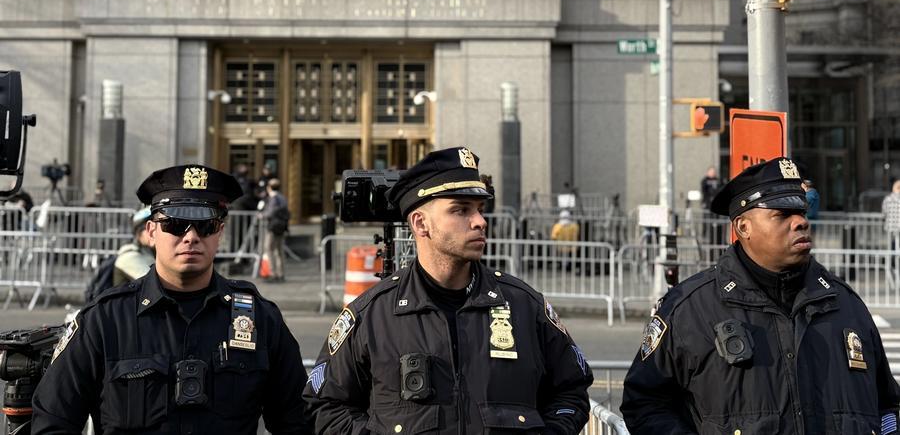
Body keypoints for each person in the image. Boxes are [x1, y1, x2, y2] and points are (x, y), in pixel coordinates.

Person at [303, 146, 593, 433]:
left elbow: (571, 391)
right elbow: (326, 406)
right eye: (461, 210)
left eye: (479, 209)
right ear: (420, 223)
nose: (480, 221)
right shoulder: (373, 315)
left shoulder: (524, 305)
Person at [621, 157, 900, 434]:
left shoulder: (845, 304)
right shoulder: (689, 309)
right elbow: (645, 404)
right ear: (743, 227)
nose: (800, 222)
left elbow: (888, 406)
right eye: (782, 214)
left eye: (802, 211)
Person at [32, 164, 311, 434]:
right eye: (176, 225)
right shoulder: (105, 320)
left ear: (220, 234)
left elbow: (298, 421)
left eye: (205, 226)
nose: (190, 237)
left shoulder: (260, 319)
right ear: (152, 232)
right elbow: (53, 420)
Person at [113, 207, 155, 286]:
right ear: (138, 232)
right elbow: (154, 283)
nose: (153, 232)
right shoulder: (129, 257)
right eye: (148, 228)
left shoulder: (148, 252)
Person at [259, 177, 289, 282]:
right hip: (282, 227)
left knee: (269, 248)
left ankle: (273, 273)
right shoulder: (282, 198)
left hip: (273, 226)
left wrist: (262, 215)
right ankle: (281, 274)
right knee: (279, 250)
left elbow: (270, 213)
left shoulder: (273, 198)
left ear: (269, 188)